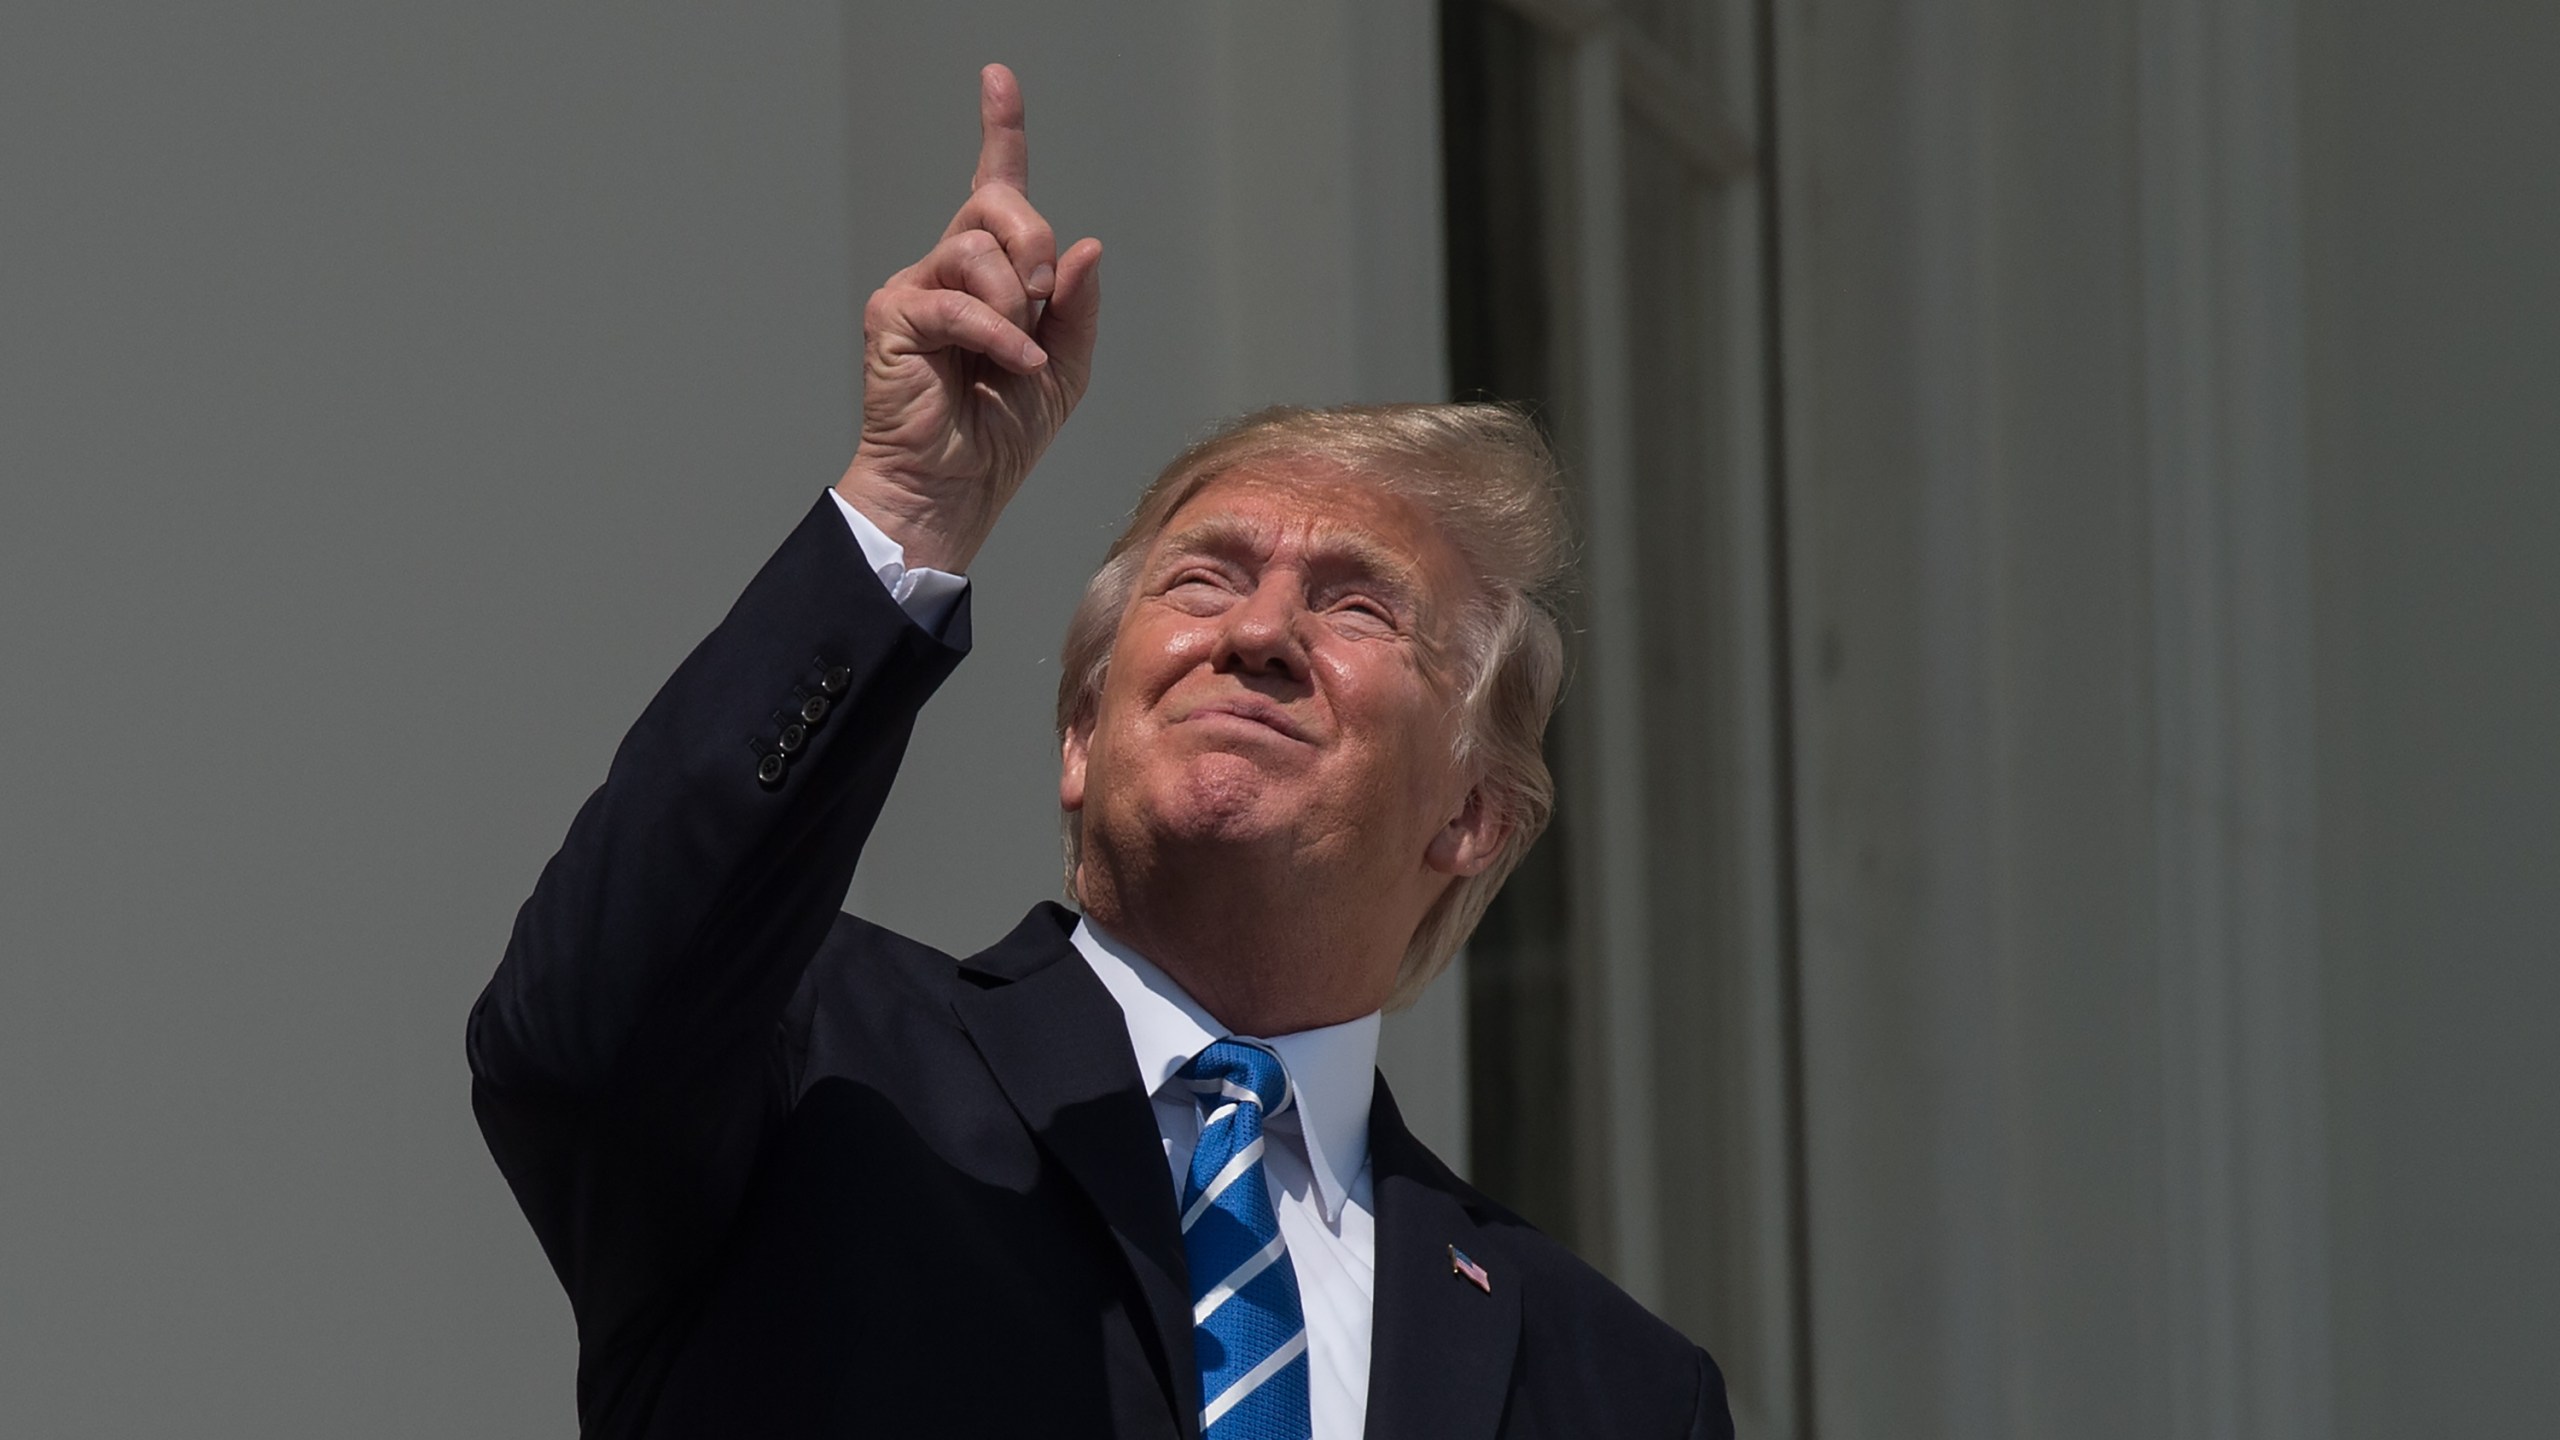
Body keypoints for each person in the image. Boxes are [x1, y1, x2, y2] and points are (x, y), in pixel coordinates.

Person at [469, 63, 1732, 1440]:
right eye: (1202, 581)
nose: (1258, 632)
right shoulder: (815, 1066)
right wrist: (908, 501)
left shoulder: (1614, 1383)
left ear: (1474, 817)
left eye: (1357, 604)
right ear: (1080, 735)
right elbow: (574, 1038)